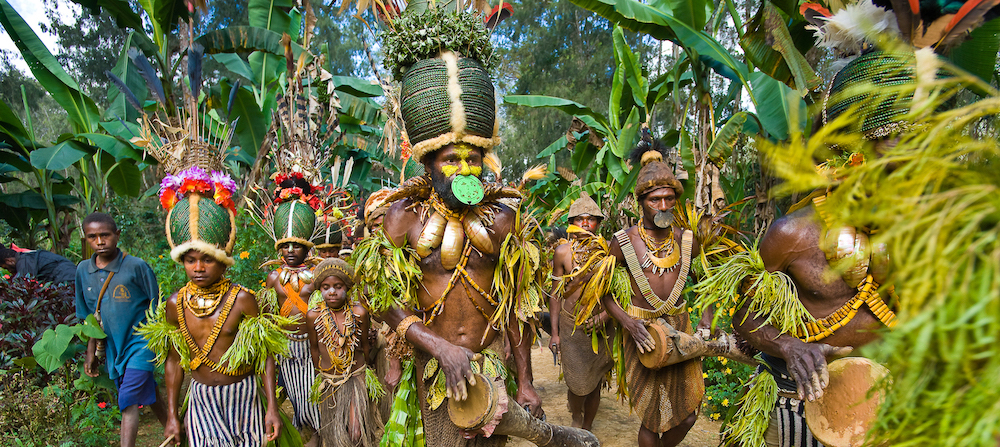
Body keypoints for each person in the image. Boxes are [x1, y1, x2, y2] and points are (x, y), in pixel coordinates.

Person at [352, 27, 547, 442]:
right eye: (451, 160)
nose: (463, 170)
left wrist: (526, 379)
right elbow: (381, 298)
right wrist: (438, 347)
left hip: (492, 363)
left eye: (472, 159)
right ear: (428, 163)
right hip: (434, 369)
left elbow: (517, 306)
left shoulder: (502, 219)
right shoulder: (404, 217)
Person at [137, 166, 295, 447]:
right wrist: (172, 416)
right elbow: (173, 361)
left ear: (223, 261)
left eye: (207, 259)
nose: (198, 268)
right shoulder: (175, 304)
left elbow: (264, 357)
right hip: (202, 399)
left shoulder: (243, 300)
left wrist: (271, 407)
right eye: (190, 260)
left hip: (244, 395)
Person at [597, 138, 711, 447]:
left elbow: (709, 286)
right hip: (642, 333)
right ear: (641, 202)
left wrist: (706, 323)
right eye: (654, 200)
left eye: (669, 199)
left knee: (688, 415)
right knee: (651, 415)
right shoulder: (623, 242)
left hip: (681, 330)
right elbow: (603, 294)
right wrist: (628, 323)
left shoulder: (687, 240)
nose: (663, 206)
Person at [74, 212, 168, 447]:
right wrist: (91, 352)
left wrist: (159, 343)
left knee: (127, 399)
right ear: (85, 239)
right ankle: (174, 429)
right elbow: (89, 318)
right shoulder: (82, 271)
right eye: (92, 236)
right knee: (148, 390)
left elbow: (157, 305)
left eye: (105, 235)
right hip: (115, 346)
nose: (99, 241)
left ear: (117, 235)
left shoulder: (136, 266)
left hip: (142, 343)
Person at [547, 192, 614, 431]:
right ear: (571, 223)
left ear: (598, 223)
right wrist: (554, 333)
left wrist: (604, 316)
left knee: (595, 382)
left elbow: (619, 294)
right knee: (576, 384)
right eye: (579, 219)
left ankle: (587, 426)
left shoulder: (609, 252)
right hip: (571, 327)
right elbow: (556, 294)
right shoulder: (563, 252)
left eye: (590, 218)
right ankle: (576, 415)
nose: (585, 223)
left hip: (602, 329)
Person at [304, 258, 382, 447]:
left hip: (355, 376)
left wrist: (367, 370)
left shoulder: (359, 313)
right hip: (330, 380)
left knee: (356, 431)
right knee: (335, 433)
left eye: (338, 286)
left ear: (347, 288)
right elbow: (314, 348)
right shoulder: (313, 315)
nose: (332, 292)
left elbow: (364, 345)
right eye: (326, 287)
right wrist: (319, 374)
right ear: (319, 290)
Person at [1, 246, 76, 285]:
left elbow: (24, 285)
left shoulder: (23, 262)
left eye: (6, 267)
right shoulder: (26, 257)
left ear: (9, 261)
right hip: (67, 274)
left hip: (66, 277)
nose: (9, 271)